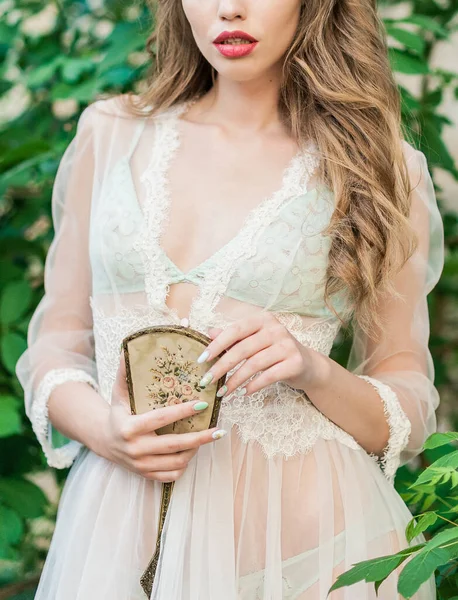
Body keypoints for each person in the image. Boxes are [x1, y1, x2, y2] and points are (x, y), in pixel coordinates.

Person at [16, 0, 444, 598]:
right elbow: (54, 345)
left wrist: (314, 370)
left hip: (307, 545)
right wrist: (105, 431)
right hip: (117, 528)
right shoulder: (110, 134)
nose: (230, 9)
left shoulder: (381, 168)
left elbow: (406, 403)